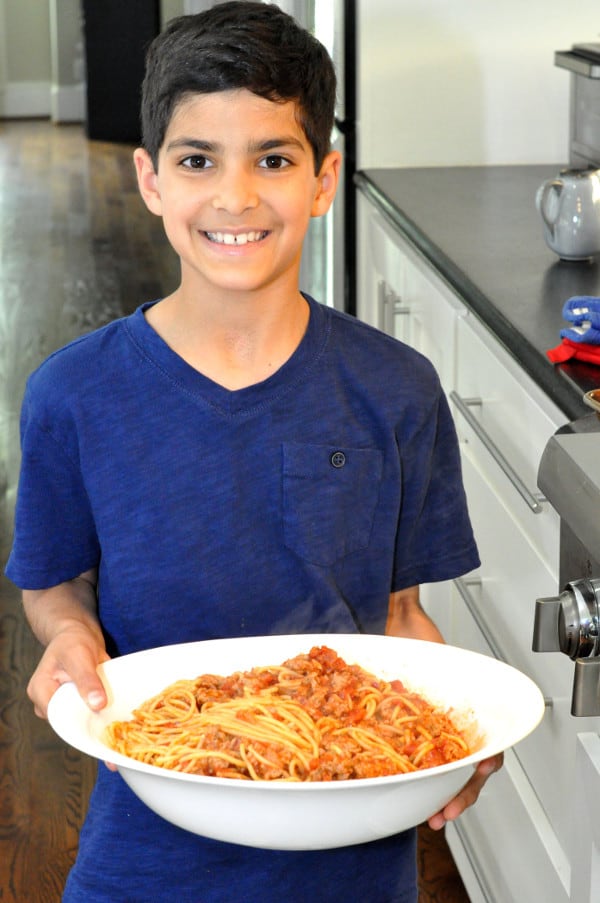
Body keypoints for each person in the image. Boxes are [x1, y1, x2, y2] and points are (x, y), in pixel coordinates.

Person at [5, 3, 502, 901]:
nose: (235, 198)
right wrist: (71, 634)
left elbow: (399, 616)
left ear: (323, 178)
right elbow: (53, 583)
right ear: (152, 179)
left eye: (273, 159)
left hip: (356, 854)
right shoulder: (73, 395)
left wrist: (452, 727)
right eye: (199, 160)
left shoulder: (397, 390)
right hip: (144, 857)